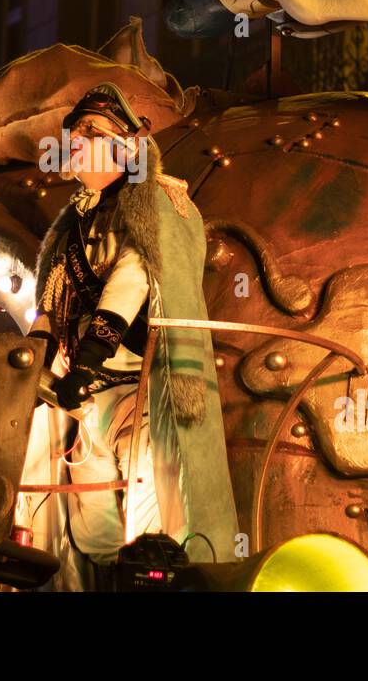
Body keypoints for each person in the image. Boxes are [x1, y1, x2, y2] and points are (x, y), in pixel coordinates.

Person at [29, 82, 238, 581]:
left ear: (126, 147)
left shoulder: (158, 203)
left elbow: (133, 279)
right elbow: (50, 298)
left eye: (90, 133)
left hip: (141, 396)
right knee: (92, 531)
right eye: (73, 134)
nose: (75, 142)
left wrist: (88, 360)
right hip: (80, 402)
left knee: (150, 529)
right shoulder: (71, 224)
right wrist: (34, 356)